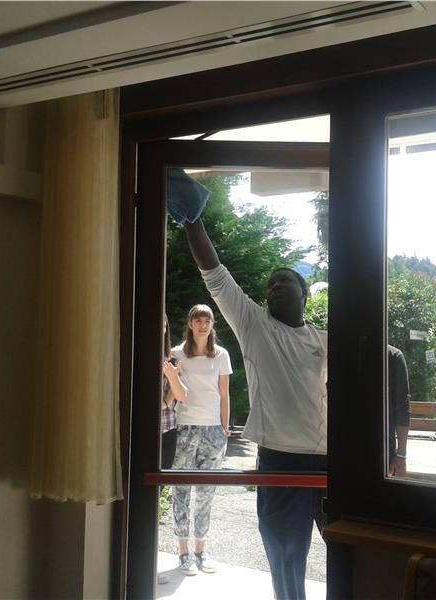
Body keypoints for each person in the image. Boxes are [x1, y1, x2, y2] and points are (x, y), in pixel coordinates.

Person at [185, 218, 327, 600]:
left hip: (327, 461)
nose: (275, 286)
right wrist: (193, 220)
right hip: (279, 461)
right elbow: (215, 275)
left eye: (285, 281)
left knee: (348, 550)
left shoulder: (324, 340)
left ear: (304, 294)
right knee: (285, 557)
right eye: (270, 284)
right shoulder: (254, 325)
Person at [170, 304, 232, 576]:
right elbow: (171, 390)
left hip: (213, 430)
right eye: (198, 320)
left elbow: (224, 394)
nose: (202, 325)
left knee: (207, 492)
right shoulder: (176, 353)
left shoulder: (221, 355)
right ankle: (183, 551)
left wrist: (224, 428)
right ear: (190, 323)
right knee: (181, 491)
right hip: (184, 427)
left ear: (212, 324)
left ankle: (201, 550)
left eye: (207, 320)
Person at [162, 315, 187, 471]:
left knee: (160, 481)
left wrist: (165, 402)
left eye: (163, 325)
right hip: (139, 429)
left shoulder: (171, 360)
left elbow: (181, 395)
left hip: (167, 429)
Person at [387, 344, 410, 476]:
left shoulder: (393, 356)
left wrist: (401, 455)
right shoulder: (393, 355)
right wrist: (401, 456)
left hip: (382, 450)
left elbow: (402, 409)